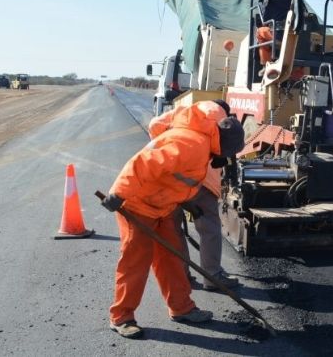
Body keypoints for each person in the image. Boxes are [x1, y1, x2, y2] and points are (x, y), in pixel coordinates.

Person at [100, 100, 244, 339]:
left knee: (173, 259)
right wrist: (118, 193)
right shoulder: (192, 145)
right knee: (135, 262)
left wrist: (187, 202)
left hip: (163, 206)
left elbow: (178, 176)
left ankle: (181, 308)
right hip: (138, 204)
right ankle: (122, 316)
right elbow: (143, 163)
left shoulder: (201, 142)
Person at [148, 99, 241, 290]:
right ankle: (212, 276)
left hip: (172, 178)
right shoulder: (221, 119)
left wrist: (170, 145)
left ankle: (182, 275)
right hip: (203, 182)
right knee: (209, 229)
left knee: (174, 229)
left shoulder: (185, 112)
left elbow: (154, 125)